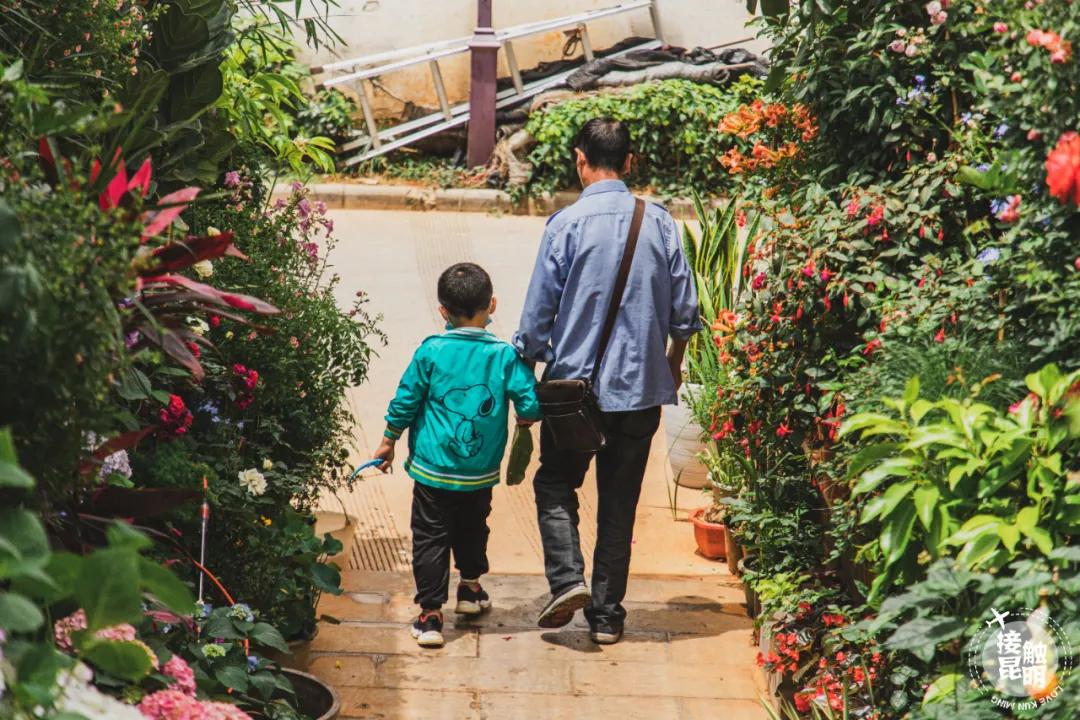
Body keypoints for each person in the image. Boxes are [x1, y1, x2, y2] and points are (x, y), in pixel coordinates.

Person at [512, 117, 701, 645]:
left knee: (554, 484)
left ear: (579, 159)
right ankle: (607, 616)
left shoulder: (566, 224)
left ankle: (568, 579)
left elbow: (535, 320)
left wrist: (524, 374)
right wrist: (673, 362)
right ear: (630, 162)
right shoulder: (661, 223)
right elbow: (686, 312)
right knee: (619, 504)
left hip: (573, 395)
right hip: (641, 393)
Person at [374, 262, 542, 648]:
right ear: (492, 305)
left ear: (443, 311)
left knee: (431, 536)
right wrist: (525, 422)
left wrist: (388, 440)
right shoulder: (504, 356)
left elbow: (406, 399)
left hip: (433, 470)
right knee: (473, 526)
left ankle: (431, 615)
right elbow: (530, 405)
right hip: (478, 472)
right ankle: (469, 590)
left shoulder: (431, 351)